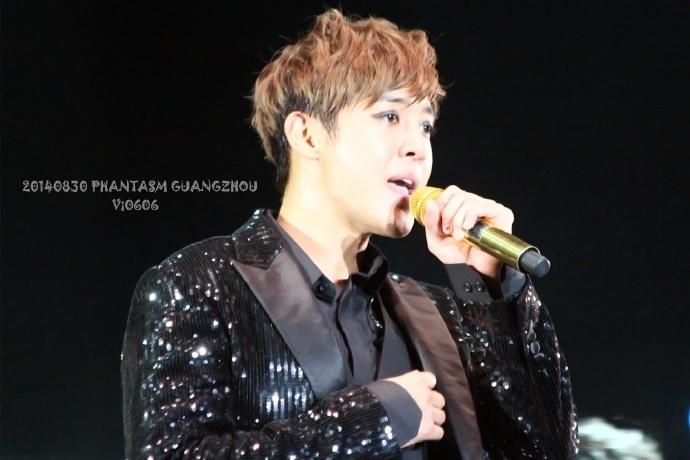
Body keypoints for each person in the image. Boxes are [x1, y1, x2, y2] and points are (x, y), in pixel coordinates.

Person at [120, 9, 578, 459]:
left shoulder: (439, 313)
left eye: (425, 125)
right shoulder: (199, 284)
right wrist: (370, 422)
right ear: (307, 135)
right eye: (389, 116)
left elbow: (547, 450)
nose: (418, 148)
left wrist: (489, 291)